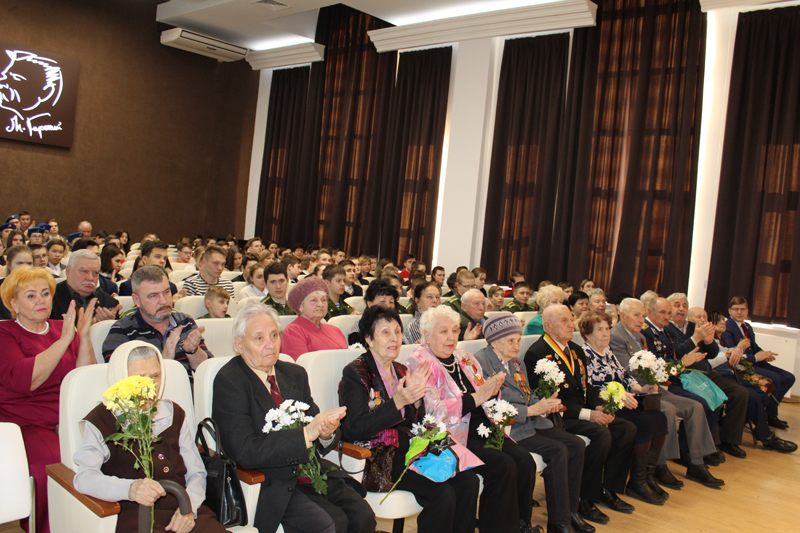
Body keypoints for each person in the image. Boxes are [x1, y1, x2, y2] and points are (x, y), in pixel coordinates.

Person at [213, 304, 375, 533]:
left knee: (363, 516)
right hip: (270, 481)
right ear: (239, 344)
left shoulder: (293, 373)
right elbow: (245, 450)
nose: (270, 344)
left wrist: (326, 432)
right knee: (331, 524)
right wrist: (306, 434)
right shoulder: (230, 381)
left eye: (274, 335)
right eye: (259, 338)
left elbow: (316, 424)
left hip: (313, 470)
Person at [340, 306, 480, 533]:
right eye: (386, 332)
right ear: (368, 338)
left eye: (397, 331)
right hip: (380, 457)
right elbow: (355, 428)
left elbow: (419, 422)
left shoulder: (401, 370)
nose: (394, 338)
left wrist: (416, 405)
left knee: (469, 481)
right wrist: (397, 402)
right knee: (442, 494)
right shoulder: (356, 373)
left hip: (412, 449)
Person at [407, 305, 539, 533]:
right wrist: (478, 396)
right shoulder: (420, 362)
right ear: (427, 334)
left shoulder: (464, 357)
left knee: (524, 461)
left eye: (455, 330)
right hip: (453, 436)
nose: (451, 337)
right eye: (443, 331)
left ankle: (520, 524)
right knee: (503, 466)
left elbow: (485, 394)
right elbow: (432, 413)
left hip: (482, 427)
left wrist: (493, 390)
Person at [73, 342, 226, 533]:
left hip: (183, 510)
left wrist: (189, 508)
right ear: (121, 378)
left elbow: (196, 473)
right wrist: (130, 488)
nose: (150, 386)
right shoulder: (101, 420)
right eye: (139, 378)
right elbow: (84, 478)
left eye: (155, 376)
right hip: (135, 515)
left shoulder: (173, 414)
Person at [473, 313, 590, 533]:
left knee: (576, 444)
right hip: (510, 428)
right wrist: (532, 410)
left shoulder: (516, 362)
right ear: (494, 341)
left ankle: (569, 511)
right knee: (558, 450)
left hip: (531, 421)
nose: (516, 345)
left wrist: (545, 404)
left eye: (518, 340)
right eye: (511, 340)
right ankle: (559, 522)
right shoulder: (481, 363)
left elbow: (527, 395)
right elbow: (491, 406)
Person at [0, 266, 96, 533]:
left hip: (67, 417)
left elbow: (83, 377)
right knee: (51, 467)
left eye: (45, 293)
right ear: (13, 303)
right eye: (30, 296)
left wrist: (83, 338)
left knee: (108, 455)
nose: (41, 300)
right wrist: (65, 340)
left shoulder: (62, 328)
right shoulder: (4, 333)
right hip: (25, 423)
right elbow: (25, 381)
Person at [525, 305, 637, 526]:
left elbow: (585, 387)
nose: (571, 324)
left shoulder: (575, 349)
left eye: (571, 319)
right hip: (559, 416)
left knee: (627, 429)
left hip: (580, 410)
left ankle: (607, 489)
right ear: (548, 326)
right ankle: (583, 498)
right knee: (601, 434)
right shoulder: (537, 353)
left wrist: (600, 406)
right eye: (564, 321)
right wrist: (588, 414)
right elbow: (548, 398)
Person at [609, 298, 722, 488]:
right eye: (636, 315)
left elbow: (654, 365)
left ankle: (697, 463)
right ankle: (659, 466)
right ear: (623, 315)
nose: (641, 320)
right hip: (635, 392)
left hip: (654, 387)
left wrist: (666, 371)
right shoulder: (616, 337)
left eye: (643, 316)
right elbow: (628, 372)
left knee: (695, 406)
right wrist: (678, 365)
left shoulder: (640, 336)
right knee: (668, 410)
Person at [641, 297, 748, 460]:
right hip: (680, 376)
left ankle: (709, 445)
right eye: (676, 306)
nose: (680, 309)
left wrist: (709, 341)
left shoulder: (686, 327)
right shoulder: (663, 329)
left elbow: (710, 353)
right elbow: (673, 355)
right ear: (650, 311)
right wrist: (694, 340)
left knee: (723, 397)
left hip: (699, 373)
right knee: (703, 401)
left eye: (684, 305)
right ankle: (690, 450)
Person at [580, 313, 670, 506]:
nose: (606, 334)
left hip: (623, 399)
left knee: (659, 418)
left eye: (607, 329)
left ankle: (646, 476)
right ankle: (636, 482)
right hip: (605, 404)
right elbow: (590, 388)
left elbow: (624, 376)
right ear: (587, 334)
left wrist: (641, 389)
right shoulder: (585, 354)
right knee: (643, 423)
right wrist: (619, 396)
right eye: (600, 330)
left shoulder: (607, 351)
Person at [687, 307, 795, 453]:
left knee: (763, 393)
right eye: (718, 321)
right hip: (721, 372)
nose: (722, 323)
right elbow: (718, 359)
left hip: (732, 370)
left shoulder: (721, 336)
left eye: (704, 317)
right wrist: (742, 352)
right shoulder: (698, 338)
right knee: (757, 391)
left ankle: (730, 424)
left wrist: (748, 353)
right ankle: (766, 435)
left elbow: (735, 352)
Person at [103, 266, 212, 377]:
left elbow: (208, 372)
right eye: (153, 296)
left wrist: (193, 351)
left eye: (166, 292)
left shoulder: (185, 321)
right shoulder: (122, 331)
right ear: (137, 300)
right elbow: (118, 379)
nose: (163, 301)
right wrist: (163, 361)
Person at [723, 296, 796, 429]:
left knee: (789, 377)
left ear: (747, 311)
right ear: (730, 311)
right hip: (742, 365)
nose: (739, 312)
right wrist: (756, 357)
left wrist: (765, 354)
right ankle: (767, 415)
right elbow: (732, 353)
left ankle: (770, 413)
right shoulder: (727, 327)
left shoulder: (747, 326)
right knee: (775, 378)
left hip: (755, 362)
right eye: (736, 309)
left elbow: (755, 347)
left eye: (742, 309)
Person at [281, 276, 348, 360]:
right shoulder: (293, 332)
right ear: (300, 306)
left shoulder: (335, 330)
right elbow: (301, 365)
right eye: (314, 300)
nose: (320, 304)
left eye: (323, 300)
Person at [50, 250, 121, 322]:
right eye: (84, 271)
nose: (90, 278)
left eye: (95, 273)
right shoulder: (51, 298)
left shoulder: (109, 303)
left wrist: (107, 325)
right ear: (68, 271)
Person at [346, 280, 397, 345]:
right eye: (382, 301)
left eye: (391, 302)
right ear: (370, 304)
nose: (388, 306)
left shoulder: (396, 326)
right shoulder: (359, 328)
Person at [0, 245, 34, 319]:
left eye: (29, 263)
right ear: (9, 264)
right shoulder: (1, 287)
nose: (25, 267)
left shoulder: (40, 287)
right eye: (20, 263)